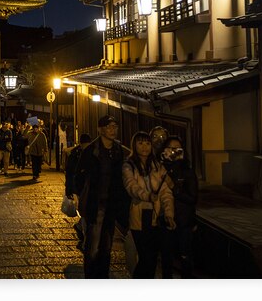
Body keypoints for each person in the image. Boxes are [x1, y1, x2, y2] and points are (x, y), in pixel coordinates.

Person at [72, 115, 131, 278]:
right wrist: (77, 193)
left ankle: (102, 276)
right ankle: (91, 276)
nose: (113, 130)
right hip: (94, 204)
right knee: (93, 246)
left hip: (111, 204)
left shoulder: (118, 150)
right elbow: (78, 175)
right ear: (100, 129)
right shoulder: (91, 150)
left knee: (107, 244)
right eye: (109, 127)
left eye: (115, 127)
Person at [122, 131, 175, 278]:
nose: (145, 147)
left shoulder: (157, 166)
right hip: (139, 216)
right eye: (140, 143)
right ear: (134, 145)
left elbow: (166, 192)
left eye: (147, 143)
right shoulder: (129, 165)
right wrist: (147, 196)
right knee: (146, 257)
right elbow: (131, 186)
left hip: (155, 216)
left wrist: (169, 213)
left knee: (151, 259)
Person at [160, 135, 198, 278]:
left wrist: (174, 188)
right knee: (166, 258)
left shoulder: (187, 172)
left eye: (177, 149)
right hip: (165, 220)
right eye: (170, 148)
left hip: (183, 221)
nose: (174, 152)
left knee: (185, 257)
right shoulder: (160, 169)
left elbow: (192, 198)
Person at [64, 133, 91, 249]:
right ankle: (85, 238)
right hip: (78, 187)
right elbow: (70, 173)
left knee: (87, 212)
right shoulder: (75, 154)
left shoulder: (92, 153)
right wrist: (69, 189)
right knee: (85, 211)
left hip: (89, 187)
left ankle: (81, 228)